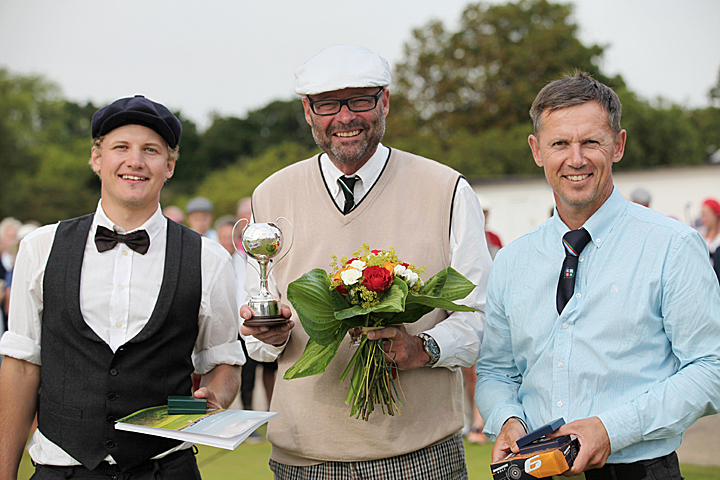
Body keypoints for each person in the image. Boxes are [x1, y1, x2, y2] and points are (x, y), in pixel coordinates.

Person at [241, 45, 492, 479]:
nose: (345, 117)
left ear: (385, 102)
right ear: (307, 110)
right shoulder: (271, 194)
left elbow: (480, 318)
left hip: (423, 456)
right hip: (305, 459)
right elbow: (261, 346)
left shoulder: (446, 188)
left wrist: (424, 348)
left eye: (360, 100)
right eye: (326, 104)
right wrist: (269, 330)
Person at [476, 72, 720, 480]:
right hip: (533, 470)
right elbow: (496, 371)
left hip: (640, 470)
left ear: (618, 145)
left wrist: (610, 429)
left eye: (591, 141)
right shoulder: (512, 260)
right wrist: (507, 420)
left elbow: (710, 368)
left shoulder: (672, 246)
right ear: (537, 151)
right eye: (560, 144)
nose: (576, 159)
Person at [0, 95, 244, 479]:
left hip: (166, 468)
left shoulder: (208, 258)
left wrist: (212, 398)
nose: (135, 161)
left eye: (151, 150)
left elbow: (224, 362)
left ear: (170, 165)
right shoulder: (40, 248)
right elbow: (21, 367)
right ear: (98, 159)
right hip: (60, 468)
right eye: (121, 148)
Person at [700, 197, 720, 283]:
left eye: (707, 215)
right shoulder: (701, 234)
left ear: (715, 215)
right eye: (702, 215)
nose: (704, 218)